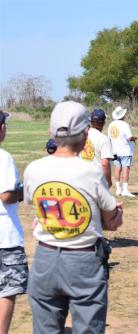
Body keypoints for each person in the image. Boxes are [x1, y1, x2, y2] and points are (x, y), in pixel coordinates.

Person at [24, 101, 123, 334]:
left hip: (44, 259)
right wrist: (116, 215)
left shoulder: (33, 169)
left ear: (51, 132)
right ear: (86, 134)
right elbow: (111, 221)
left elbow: (37, 206)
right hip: (84, 262)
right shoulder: (91, 172)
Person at [0, 111, 29, 334]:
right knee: (6, 291)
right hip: (5, 237)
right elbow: (7, 195)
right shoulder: (3, 157)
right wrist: (24, 191)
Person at [108, 106, 137, 197]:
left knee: (117, 168)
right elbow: (129, 138)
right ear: (123, 115)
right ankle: (125, 190)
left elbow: (109, 138)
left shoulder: (111, 125)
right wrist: (134, 138)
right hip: (125, 150)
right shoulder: (124, 124)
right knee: (126, 169)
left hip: (115, 150)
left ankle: (118, 189)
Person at [81, 109, 113, 187]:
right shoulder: (104, 139)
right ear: (103, 123)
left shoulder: (82, 135)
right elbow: (105, 163)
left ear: (91, 121)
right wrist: (108, 181)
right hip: (97, 180)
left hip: (81, 178)